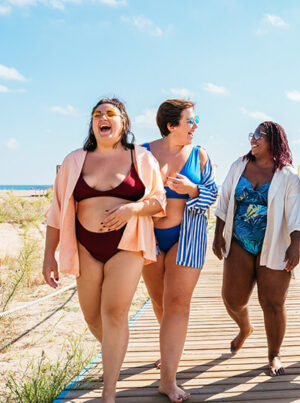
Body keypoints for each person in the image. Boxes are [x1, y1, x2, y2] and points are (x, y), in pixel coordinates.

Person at [42, 98, 166, 402]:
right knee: (92, 317)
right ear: (92, 123)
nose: (103, 118)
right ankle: (117, 343)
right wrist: (49, 256)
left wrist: (132, 209)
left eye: (110, 113)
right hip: (84, 244)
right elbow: (57, 210)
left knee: (113, 312)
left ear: (123, 122)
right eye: (97, 114)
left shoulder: (141, 158)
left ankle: (108, 394)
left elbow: (158, 201)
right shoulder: (74, 160)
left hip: (127, 245)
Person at [213, 121, 300, 376]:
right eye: (252, 134)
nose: (253, 139)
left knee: (273, 303)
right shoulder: (239, 166)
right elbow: (225, 199)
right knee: (232, 299)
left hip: (274, 245)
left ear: (274, 141)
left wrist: (295, 243)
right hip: (240, 242)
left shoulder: (287, 175)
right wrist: (218, 234)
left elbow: (296, 212)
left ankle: (274, 354)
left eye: (259, 136)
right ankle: (245, 328)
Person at [141, 99, 217, 403]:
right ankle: (168, 347)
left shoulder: (200, 155)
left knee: (177, 302)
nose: (195, 126)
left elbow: (213, 192)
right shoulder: (141, 152)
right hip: (148, 237)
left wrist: (194, 190)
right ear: (171, 125)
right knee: (160, 301)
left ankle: (168, 380)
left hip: (188, 235)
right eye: (190, 121)